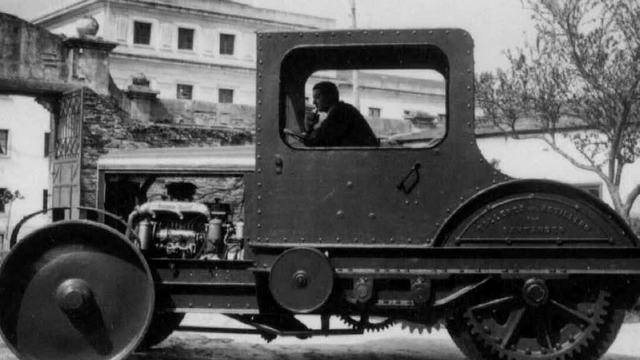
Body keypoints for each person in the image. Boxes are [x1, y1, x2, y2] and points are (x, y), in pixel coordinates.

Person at [302, 81, 379, 147]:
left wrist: (309, 129)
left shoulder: (340, 112)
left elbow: (316, 142)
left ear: (330, 96)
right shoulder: (343, 109)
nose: (314, 102)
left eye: (317, 97)